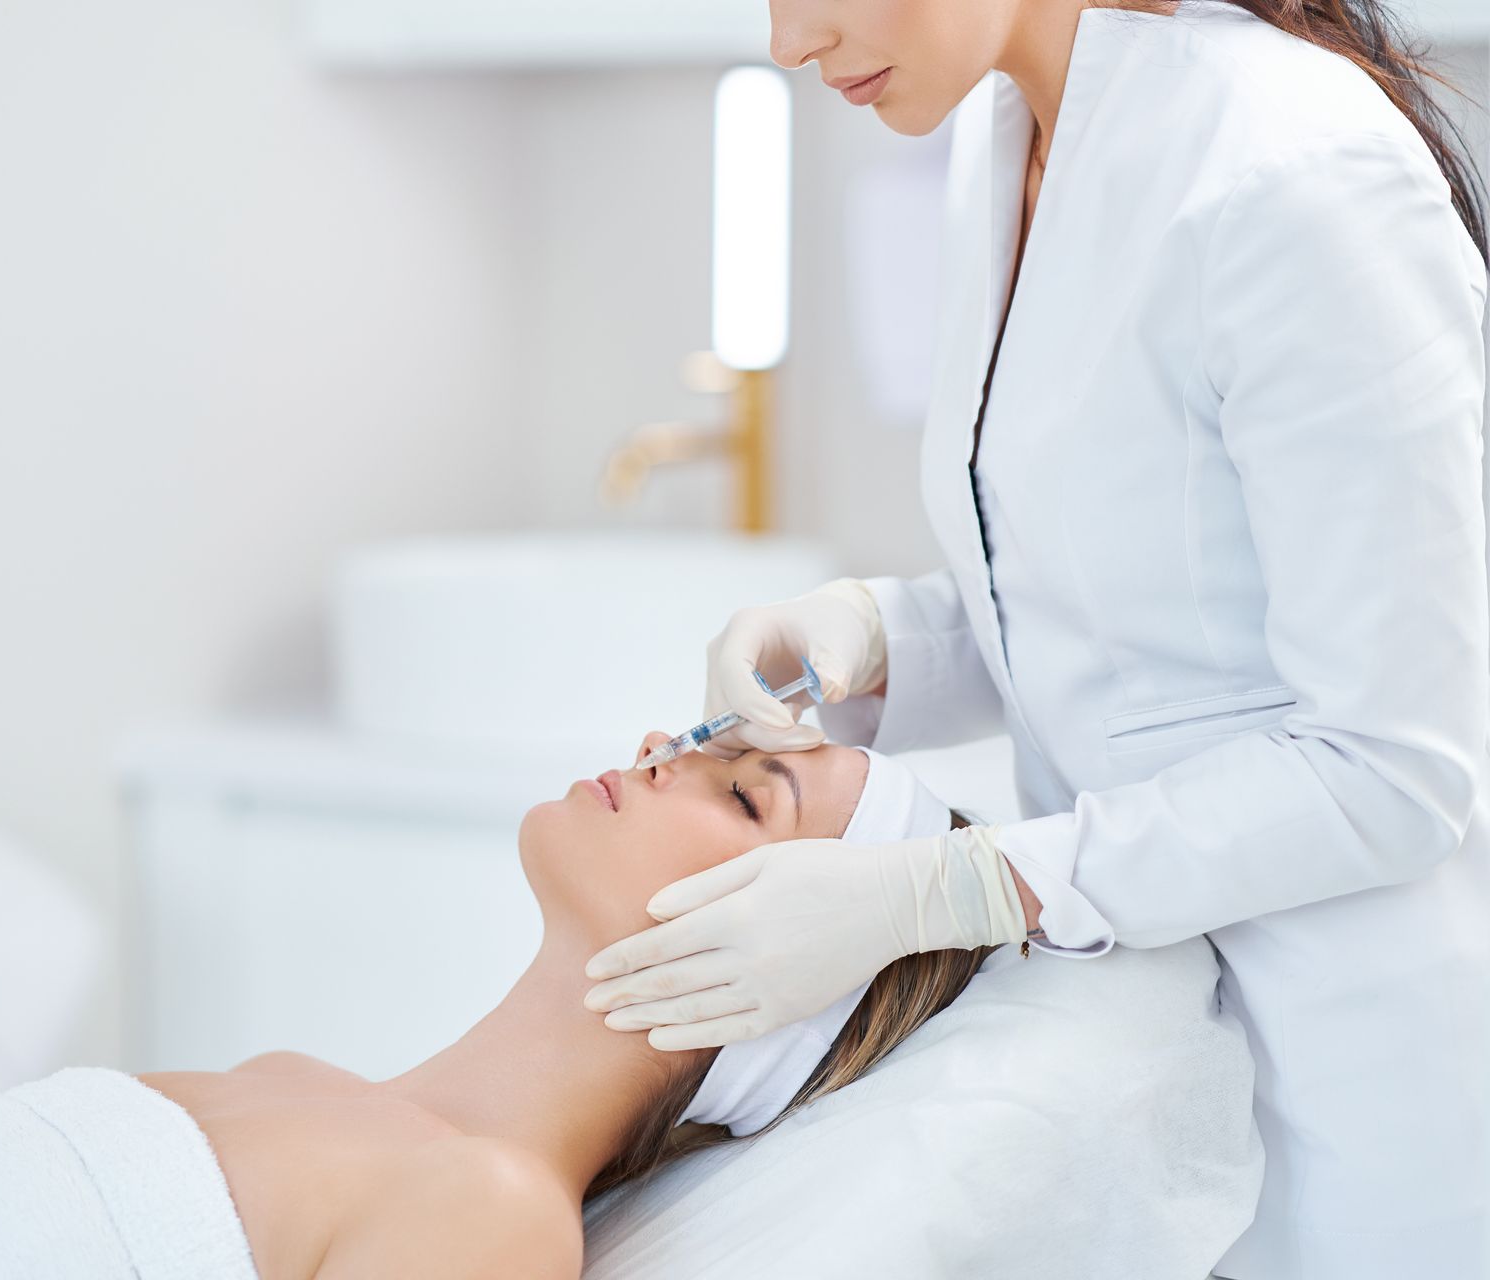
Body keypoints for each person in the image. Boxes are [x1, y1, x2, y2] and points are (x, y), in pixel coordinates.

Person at [581, 2, 1490, 1277]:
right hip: (1143, 1054)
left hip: (1350, 1086)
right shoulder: (1006, 137)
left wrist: (952, 888)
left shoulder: (1294, 170)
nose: (790, 40)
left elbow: (1395, 770)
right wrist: (873, 635)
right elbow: (1125, 605)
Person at [0, 738, 1028, 1279]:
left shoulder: (490, 1215)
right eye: (714, 739)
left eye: (748, 795)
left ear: (783, 968)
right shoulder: (297, 1082)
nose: (664, 740)